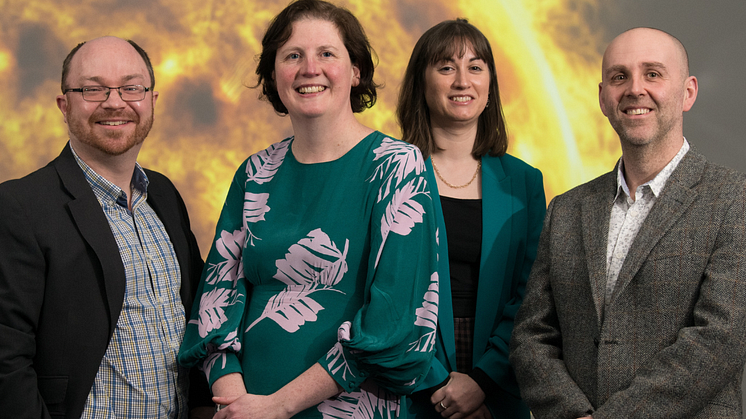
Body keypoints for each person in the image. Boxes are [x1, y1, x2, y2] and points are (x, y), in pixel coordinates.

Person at [177, 1, 438, 418]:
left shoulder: (398, 167)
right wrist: (239, 403)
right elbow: (216, 300)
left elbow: (395, 324)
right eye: (292, 55)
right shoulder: (255, 172)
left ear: (355, 72)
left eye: (327, 53)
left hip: (348, 409)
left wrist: (278, 407)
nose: (308, 68)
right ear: (273, 74)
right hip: (244, 408)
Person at [509, 27, 746, 418]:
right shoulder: (567, 209)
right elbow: (532, 336)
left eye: (653, 74)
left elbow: (720, 340)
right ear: (603, 97)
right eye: (619, 77)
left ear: (688, 92)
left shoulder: (734, 199)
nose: (635, 89)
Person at [0, 36, 212, 418]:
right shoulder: (19, 207)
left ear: (151, 100)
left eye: (131, 87)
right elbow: (5, 361)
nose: (115, 102)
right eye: (93, 89)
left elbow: (198, 314)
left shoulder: (163, 194)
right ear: (64, 105)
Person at [397, 19, 545, 419]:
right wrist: (441, 385)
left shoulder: (524, 183)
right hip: (411, 384)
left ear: (490, 85)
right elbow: (380, 293)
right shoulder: (387, 176)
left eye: (475, 67)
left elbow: (533, 295)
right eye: (446, 67)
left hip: (498, 378)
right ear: (421, 82)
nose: (462, 81)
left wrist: (481, 382)